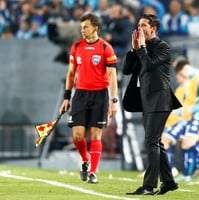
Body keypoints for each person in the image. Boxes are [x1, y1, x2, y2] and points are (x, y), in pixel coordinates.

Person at [122, 14, 181, 195]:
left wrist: (140, 49)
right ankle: (169, 182)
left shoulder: (162, 47)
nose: (139, 28)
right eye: (138, 25)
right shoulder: (142, 47)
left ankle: (148, 186)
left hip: (160, 100)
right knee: (155, 143)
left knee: (151, 142)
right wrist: (133, 50)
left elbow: (148, 65)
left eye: (143, 25)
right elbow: (125, 70)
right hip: (147, 100)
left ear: (153, 28)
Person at [59, 13, 118, 184]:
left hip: (100, 95)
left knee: (95, 134)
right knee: (77, 136)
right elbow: (71, 74)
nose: (82, 30)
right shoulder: (76, 46)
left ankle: (93, 172)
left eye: (86, 27)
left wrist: (113, 101)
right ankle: (85, 160)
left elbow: (112, 76)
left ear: (95, 28)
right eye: (81, 27)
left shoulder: (106, 48)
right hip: (80, 95)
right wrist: (66, 97)